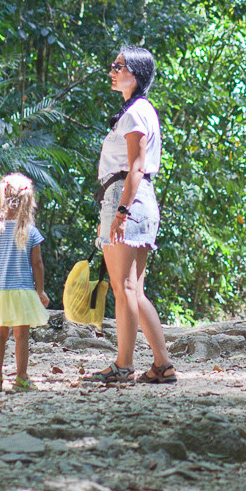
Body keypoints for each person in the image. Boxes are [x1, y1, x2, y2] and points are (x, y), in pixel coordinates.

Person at [85, 45, 174, 385]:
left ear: (136, 74)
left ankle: (123, 365)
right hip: (138, 200)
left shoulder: (136, 112)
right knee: (134, 290)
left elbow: (135, 165)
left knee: (124, 288)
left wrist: (120, 211)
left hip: (129, 199)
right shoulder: (141, 110)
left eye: (119, 66)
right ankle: (162, 364)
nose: (112, 70)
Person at [0, 172, 50, 391]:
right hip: (23, 291)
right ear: (28, 203)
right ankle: (22, 378)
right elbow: (37, 264)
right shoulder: (31, 232)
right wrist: (40, 290)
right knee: (22, 335)